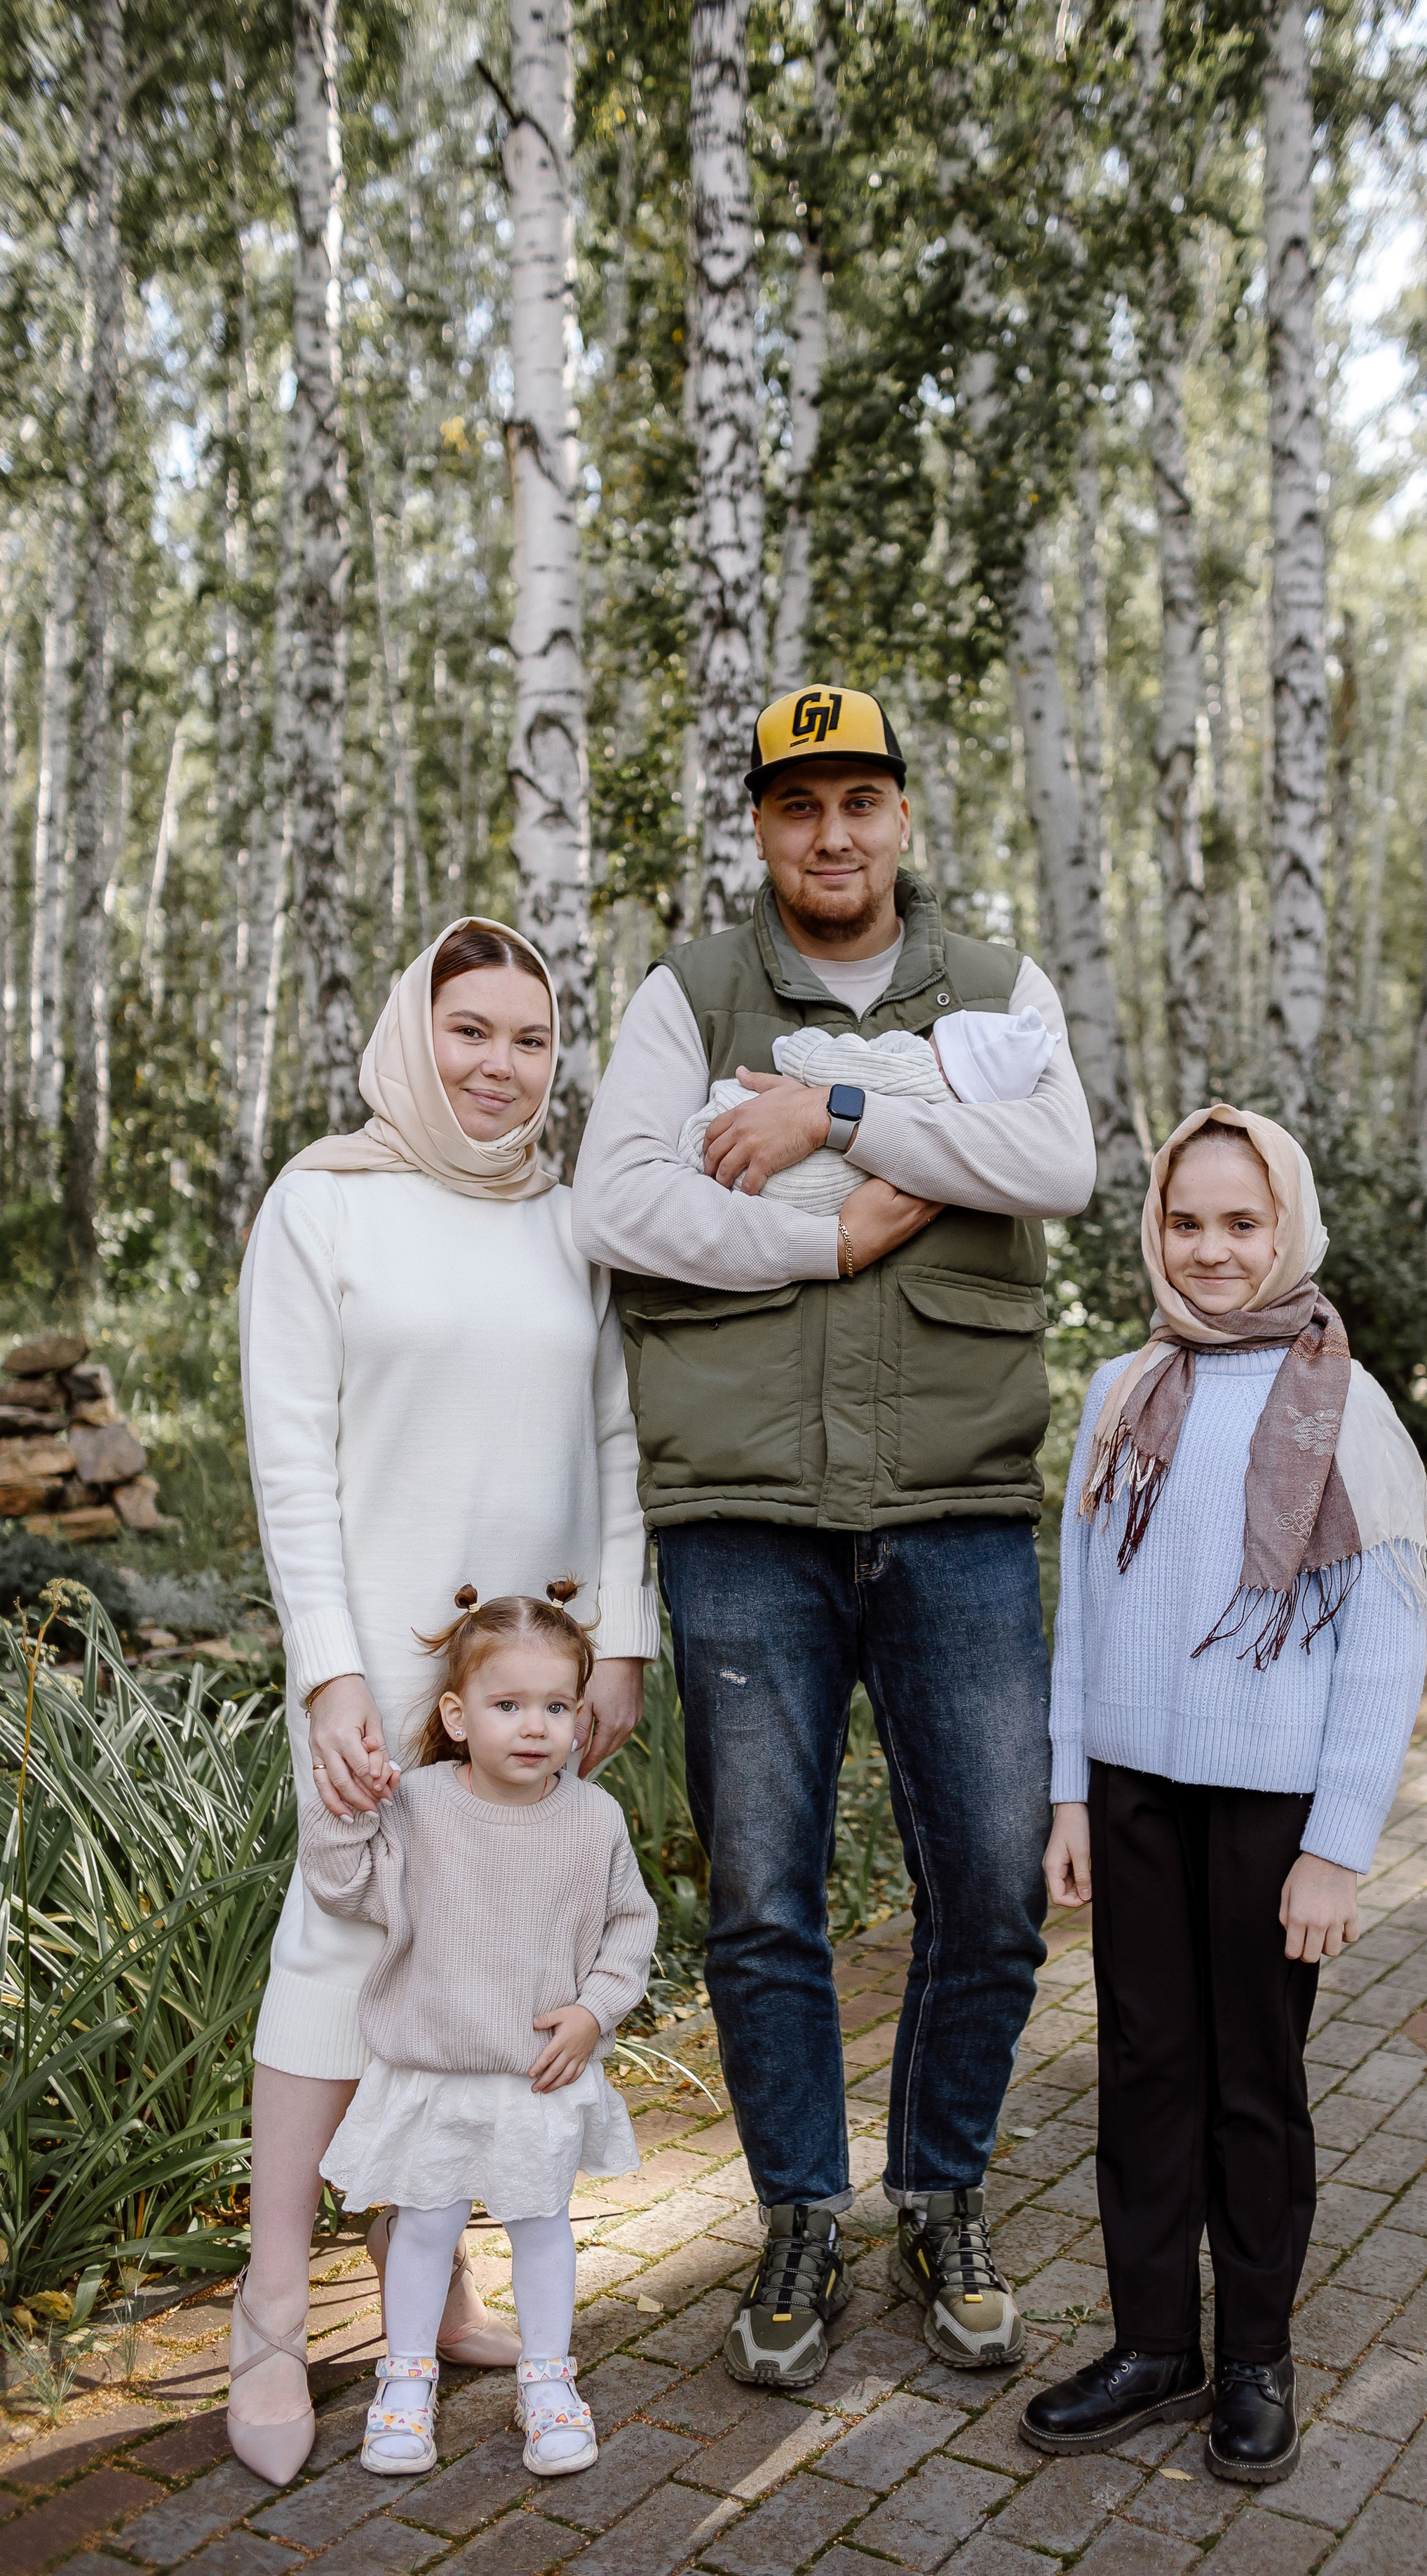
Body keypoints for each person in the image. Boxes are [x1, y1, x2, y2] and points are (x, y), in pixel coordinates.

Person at [572, 683, 1099, 2390]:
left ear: (898, 816)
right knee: (760, 1901)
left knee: (996, 1893)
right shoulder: (687, 993)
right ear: (759, 828)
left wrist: (837, 1120)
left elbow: (1061, 1160)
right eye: (797, 807)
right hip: (742, 1512)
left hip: (950, 1500)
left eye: (858, 800)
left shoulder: (996, 990)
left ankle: (938, 2187)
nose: (831, 834)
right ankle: (800, 2208)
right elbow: (619, 1201)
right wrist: (824, 1243)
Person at [229, 918, 658, 2486]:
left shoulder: (568, 1221)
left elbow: (619, 1441)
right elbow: (289, 1461)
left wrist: (620, 1643)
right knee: (343, 1942)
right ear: (417, 1035)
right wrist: (333, 1670)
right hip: (378, 1658)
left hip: (532, 1667)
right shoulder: (323, 1207)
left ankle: (449, 2276)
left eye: (531, 1039)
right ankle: (273, 2309)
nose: (500, 1066)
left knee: (498, 1959)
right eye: (469, 1031)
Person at [1021, 1105, 1427, 2483]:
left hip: (1269, 1808)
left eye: (1238, 1224)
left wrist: (1337, 1847)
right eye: (1183, 1223)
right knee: (1142, 2072)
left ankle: (1252, 2353)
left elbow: (1384, 1646)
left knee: (1250, 2086)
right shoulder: (1120, 1391)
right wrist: (1068, 1791)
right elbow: (1084, 1603)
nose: (1209, 1251)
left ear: (1287, 1228)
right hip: (1132, 1789)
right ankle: (1154, 2346)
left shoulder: (1342, 1404)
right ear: (1153, 1230)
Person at [304, 1583, 657, 2480]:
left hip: (534, 2071)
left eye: (554, 1706)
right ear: (459, 1717)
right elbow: (348, 1889)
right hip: (434, 2070)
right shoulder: (418, 1806)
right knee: (424, 2230)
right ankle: (407, 2380)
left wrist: (593, 2011)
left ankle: (547, 2382)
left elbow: (630, 1925)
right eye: (508, 1705)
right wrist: (346, 1809)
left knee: (542, 2227)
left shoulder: (593, 1818)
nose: (533, 1726)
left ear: (580, 1718)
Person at [677, 1007, 1057, 1210]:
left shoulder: (915, 1066)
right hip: (816, 1203)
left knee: (723, 1127)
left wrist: (798, 1047)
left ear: (944, 1057)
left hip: (745, 1155)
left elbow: (828, 1064)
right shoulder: (960, 1134)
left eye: (933, 1038)